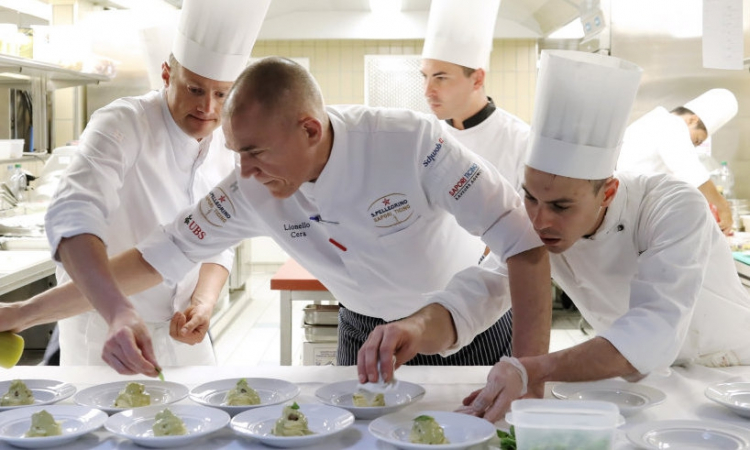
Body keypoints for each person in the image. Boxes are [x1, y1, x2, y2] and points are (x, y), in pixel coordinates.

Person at [4, 56, 552, 380]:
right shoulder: (249, 188)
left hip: (469, 326)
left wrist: (531, 375)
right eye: (235, 152)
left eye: (256, 153)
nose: (243, 172)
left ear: (310, 130)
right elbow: (151, 260)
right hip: (363, 328)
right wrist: (26, 313)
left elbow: (524, 247)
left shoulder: (413, 143)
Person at [460, 50, 750, 423]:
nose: (538, 219)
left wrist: (535, 368)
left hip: (730, 372)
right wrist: (415, 327)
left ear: (607, 193)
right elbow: (488, 284)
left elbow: (653, 327)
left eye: (561, 207)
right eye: (530, 196)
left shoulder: (674, 207)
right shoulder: (534, 216)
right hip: (641, 378)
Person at [39, 0, 271, 366]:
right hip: (105, 330)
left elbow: (220, 239)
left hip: (183, 337)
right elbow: (73, 214)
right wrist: (116, 310)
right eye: (195, 89)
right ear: (166, 74)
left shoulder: (228, 142)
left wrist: (202, 302)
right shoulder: (123, 123)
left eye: (222, 94)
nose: (208, 108)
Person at [420, 0, 528, 192]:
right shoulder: (426, 138)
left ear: (477, 79)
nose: (427, 91)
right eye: (425, 77)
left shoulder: (521, 141)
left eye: (441, 78)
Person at [617, 88, 738, 235]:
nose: (693, 145)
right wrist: (723, 206)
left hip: (632, 213)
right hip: (632, 214)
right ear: (693, 119)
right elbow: (691, 171)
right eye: (697, 140)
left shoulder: (656, 122)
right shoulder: (669, 124)